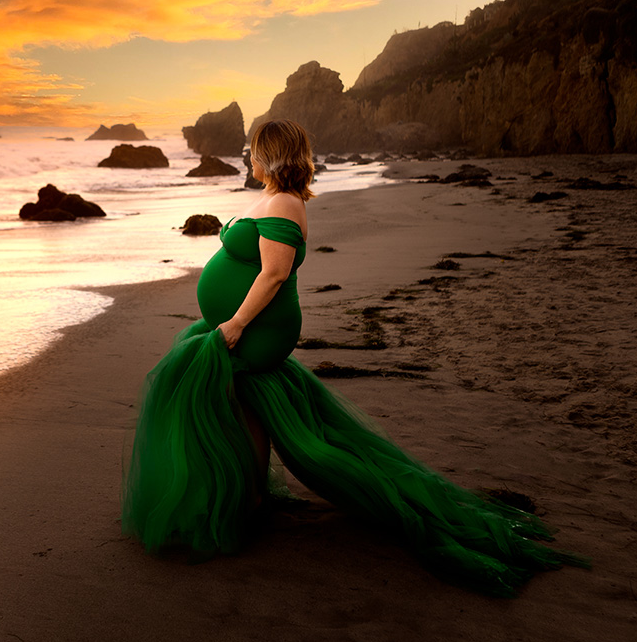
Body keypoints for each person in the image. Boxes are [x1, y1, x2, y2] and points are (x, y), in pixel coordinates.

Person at [121, 119, 587, 597]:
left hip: (257, 327)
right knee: (246, 399)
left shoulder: (283, 202)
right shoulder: (276, 198)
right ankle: (251, 492)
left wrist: (237, 323)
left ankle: (250, 497)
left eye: (255, 150)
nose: (248, 157)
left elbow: (275, 274)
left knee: (235, 392)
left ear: (272, 154)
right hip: (247, 323)